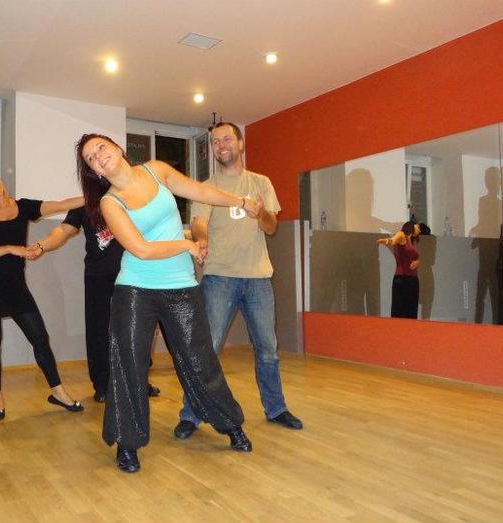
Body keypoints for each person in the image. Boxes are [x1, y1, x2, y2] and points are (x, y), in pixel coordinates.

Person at [77, 132, 254, 473]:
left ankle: (230, 423)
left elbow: (200, 191)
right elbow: (141, 249)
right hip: (135, 289)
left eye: (101, 147)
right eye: (90, 158)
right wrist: (187, 244)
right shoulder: (110, 203)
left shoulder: (156, 170)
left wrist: (241, 201)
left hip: (180, 286)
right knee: (129, 365)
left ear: (117, 147)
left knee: (200, 360)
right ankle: (127, 443)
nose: (98, 156)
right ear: (94, 171)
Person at [174, 122, 303, 442]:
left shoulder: (261, 182)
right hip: (219, 276)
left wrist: (260, 214)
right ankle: (191, 414)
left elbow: (271, 227)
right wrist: (201, 239)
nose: (221, 145)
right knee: (207, 350)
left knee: (268, 350)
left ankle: (276, 408)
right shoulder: (206, 187)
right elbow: (199, 223)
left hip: (258, 278)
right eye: (215, 142)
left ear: (240, 143)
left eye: (227, 139)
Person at [0, 164, 84, 420]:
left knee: (40, 338)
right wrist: (10, 248)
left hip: (15, 287)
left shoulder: (23, 206)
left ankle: (58, 393)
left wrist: (95, 195)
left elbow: (60, 205)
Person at [27, 205, 161, 401]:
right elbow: (64, 229)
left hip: (133, 273)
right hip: (98, 275)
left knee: (136, 329)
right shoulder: (84, 202)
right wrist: (42, 245)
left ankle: (138, 382)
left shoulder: (128, 195)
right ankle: (102, 386)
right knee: (98, 330)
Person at [378, 221, 431, 319]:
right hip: (402, 278)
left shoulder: (411, 241)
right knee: (400, 309)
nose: (419, 231)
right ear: (411, 225)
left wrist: (417, 262)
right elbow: (393, 241)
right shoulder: (402, 235)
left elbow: (413, 258)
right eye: (418, 227)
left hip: (412, 280)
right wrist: (385, 241)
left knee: (411, 310)